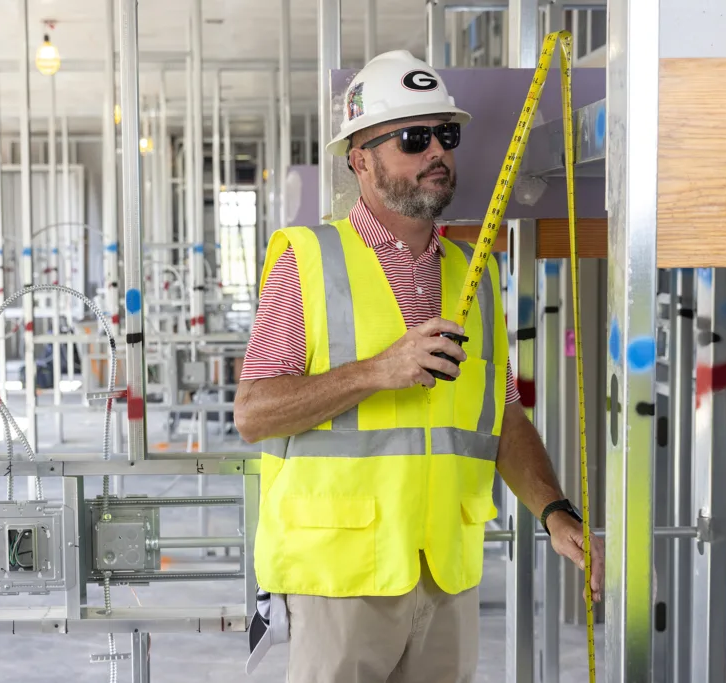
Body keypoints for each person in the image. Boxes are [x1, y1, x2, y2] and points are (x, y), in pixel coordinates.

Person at [234, 50, 605, 683]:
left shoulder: (477, 274)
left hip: (446, 575)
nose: (437, 151)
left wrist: (553, 509)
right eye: (413, 138)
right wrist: (376, 371)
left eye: (446, 135)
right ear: (360, 159)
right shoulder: (308, 260)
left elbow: (500, 415)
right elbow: (253, 414)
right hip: (341, 580)